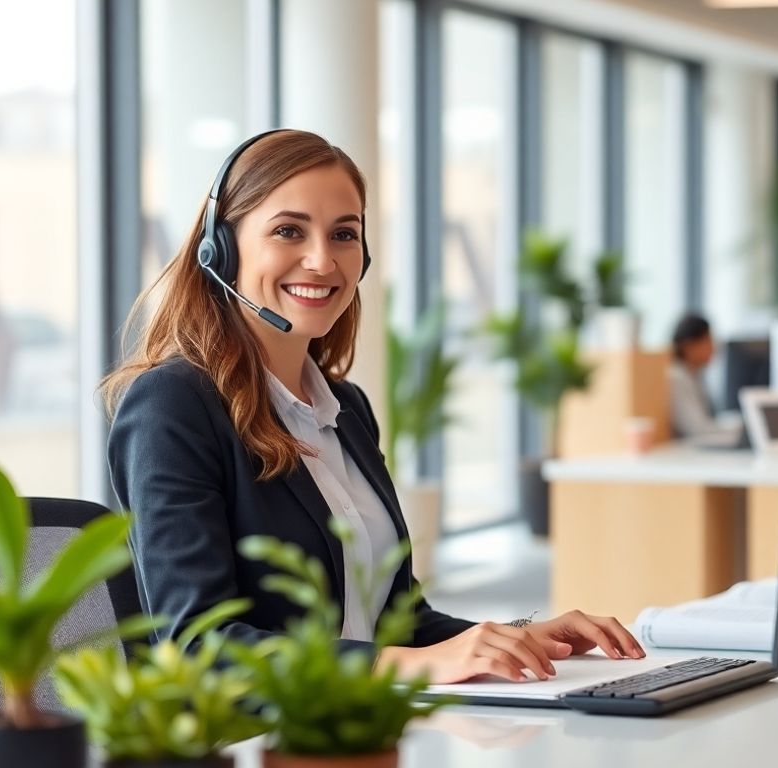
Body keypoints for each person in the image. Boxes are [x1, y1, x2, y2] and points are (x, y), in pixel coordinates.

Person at [102, 130, 643, 686]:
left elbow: (398, 625)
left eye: (344, 234)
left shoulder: (346, 410)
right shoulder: (173, 405)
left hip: (370, 723)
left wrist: (516, 638)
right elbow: (199, 646)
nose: (321, 260)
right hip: (261, 742)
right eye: (289, 231)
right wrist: (420, 664)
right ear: (222, 247)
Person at [668, 313, 723, 439]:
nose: (714, 347)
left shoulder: (695, 376)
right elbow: (696, 428)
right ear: (689, 345)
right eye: (708, 340)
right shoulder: (676, 377)